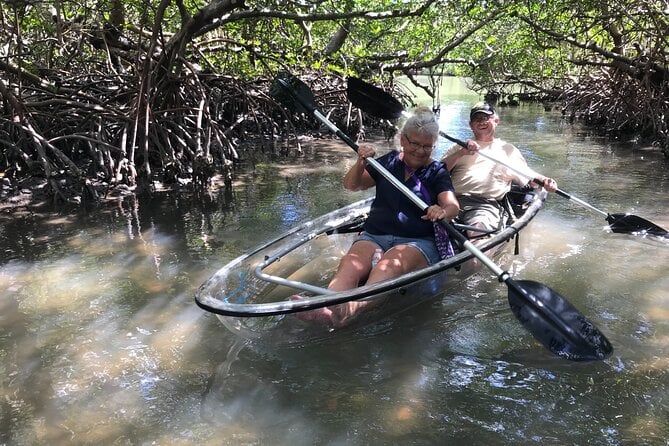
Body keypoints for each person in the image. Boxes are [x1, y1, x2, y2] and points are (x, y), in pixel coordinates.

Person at [294, 107, 460, 327]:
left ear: (433, 146)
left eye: (427, 146)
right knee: (350, 265)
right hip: (375, 234)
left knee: (389, 266)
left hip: (418, 241)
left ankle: (348, 310)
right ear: (403, 140)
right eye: (415, 144)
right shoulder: (389, 162)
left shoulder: (437, 171)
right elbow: (352, 185)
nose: (420, 151)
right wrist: (361, 162)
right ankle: (326, 303)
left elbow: (453, 206)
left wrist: (442, 211)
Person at [441, 102, 558, 238]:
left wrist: (546, 181)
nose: (481, 122)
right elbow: (436, 172)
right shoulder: (459, 147)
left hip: (483, 205)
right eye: (477, 119)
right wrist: (461, 153)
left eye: (486, 118)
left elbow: (530, 177)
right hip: (450, 201)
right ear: (471, 125)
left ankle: (476, 253)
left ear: (496, 121)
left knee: (478, 234)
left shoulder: (508, 150)